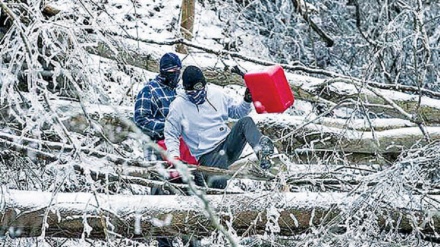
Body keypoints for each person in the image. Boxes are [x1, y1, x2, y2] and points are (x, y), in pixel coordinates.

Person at [164, 65, 275, 189]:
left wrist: (246, 100)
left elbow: (237, 113)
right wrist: (175, 157)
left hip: (228, 144)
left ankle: (262, 150)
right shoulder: (178, 106)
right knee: (218, 170)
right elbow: (171, 135)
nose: (197, 95)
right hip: (207, 154)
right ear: (186, 90)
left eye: (200, 90)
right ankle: (218, 198)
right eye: (192, 93)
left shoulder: (216, 94)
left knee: (246, 121)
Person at [134, 53, 199, 247]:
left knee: (191, 194)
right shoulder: (149, 90)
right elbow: (141, 121)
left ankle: (193, 240)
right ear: (162, 71)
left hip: (182, 152)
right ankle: (164, 242)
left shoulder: (181, 93)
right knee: (160, 197)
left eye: (177, 71)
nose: (175, 74)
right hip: (157, 150)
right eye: (171, 71)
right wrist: (168, 127)